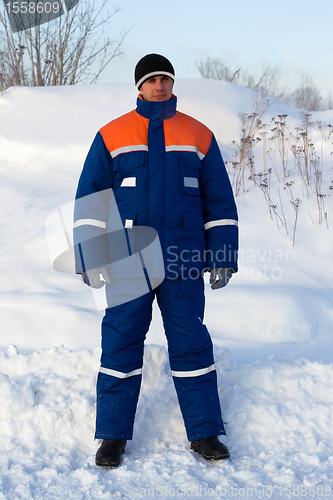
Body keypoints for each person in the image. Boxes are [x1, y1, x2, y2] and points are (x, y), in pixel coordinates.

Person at [73, 54, 238, 468]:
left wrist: (222, 253)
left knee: (190, 343)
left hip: (183, 259)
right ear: (139, 87)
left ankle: (204, 432)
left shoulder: (198, 135)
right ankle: (111, 436)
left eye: (165, 78)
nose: (159, 86)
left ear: (171, 83)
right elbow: (92, 199)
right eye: (151, 80)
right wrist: (89, 254)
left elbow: (217, 199)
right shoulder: (112, 135)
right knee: (121, 342)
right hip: (129, 259)